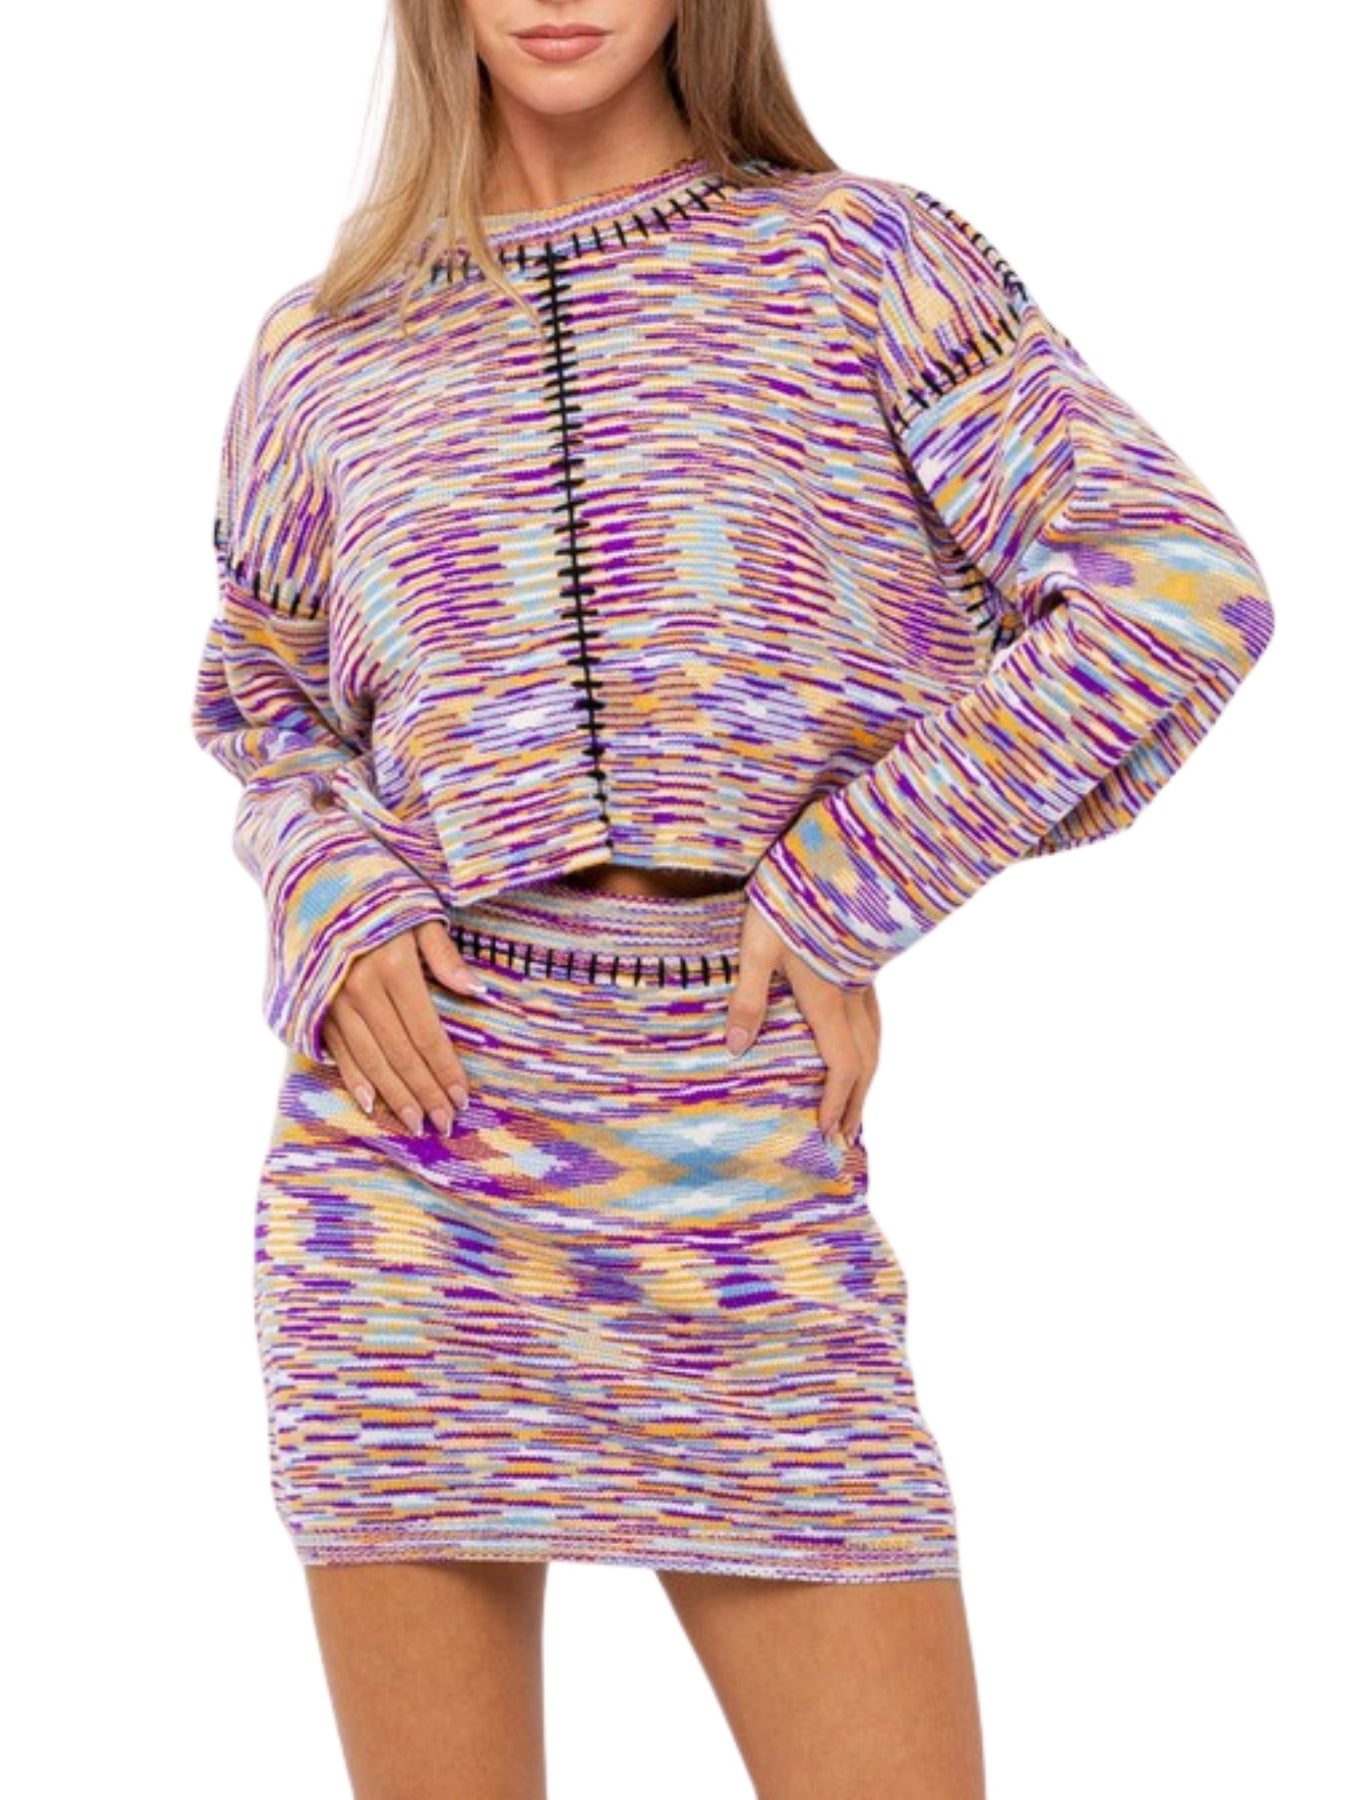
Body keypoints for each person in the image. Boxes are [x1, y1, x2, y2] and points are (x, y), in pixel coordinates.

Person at [191, 2, 1274, 1795]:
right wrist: (330, 891)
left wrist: (852, 873)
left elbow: (1173, 590)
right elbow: (267, 709)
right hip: (404, 1166)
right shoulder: (324, 348)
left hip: (733, 1142)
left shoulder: (866, 264)